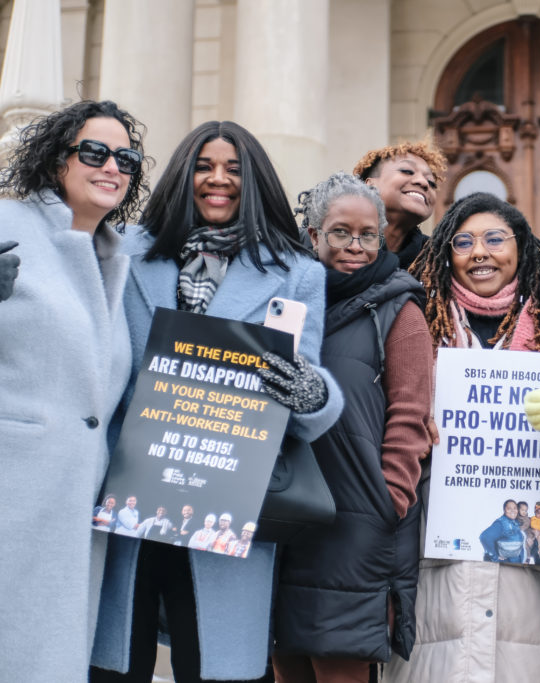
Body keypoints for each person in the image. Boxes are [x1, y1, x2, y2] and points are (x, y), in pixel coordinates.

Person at [90, 121, 343, 683]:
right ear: (184, 176)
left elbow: (311, 394)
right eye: (205, 166)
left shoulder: (296, 274)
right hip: (129, 492)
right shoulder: (124, 250)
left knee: (213, 667)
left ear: (254, 182)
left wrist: (308, 391)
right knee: (113, 664)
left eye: (233, 168)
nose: (218, 179)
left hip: (226, 502)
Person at [383, 192, 540, 683]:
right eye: (464, 241)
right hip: (435, 557)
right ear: (444, 253)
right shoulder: (410, 327)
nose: (480, 252)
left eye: (495, 239)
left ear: (522, 247)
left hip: (535, 573)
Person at [0, 99, 148, 682]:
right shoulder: (8, 223)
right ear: (55, 160)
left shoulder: (113, 254)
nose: (112, 166)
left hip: (74, 505)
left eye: (127, 158)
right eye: (94, 152)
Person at [273, 171, 432, 683]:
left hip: (358, 523)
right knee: (287, 665)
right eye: (341, 232)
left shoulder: (400, 310)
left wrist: (390, 497)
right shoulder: (286, 304)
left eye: (368, 235)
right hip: (282, 514)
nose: (356, 247)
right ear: (314, 235)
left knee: (339, 665)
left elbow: (411, 416)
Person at [353, 139, 447, 269]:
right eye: (407, 171)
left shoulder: (438, 262)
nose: (424, 183)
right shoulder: (328, 245)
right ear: (370, 185)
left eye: (431, 182)